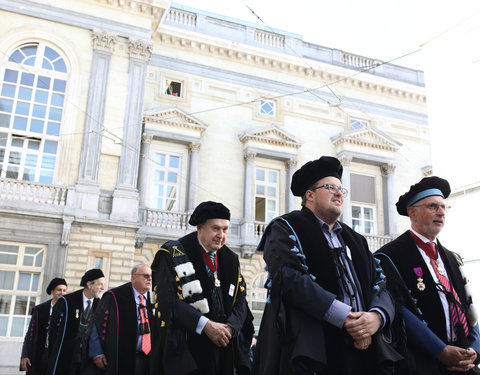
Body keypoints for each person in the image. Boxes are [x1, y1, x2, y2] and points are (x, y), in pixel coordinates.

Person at [252, 156, 398, 375]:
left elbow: (381, 283)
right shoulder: (286, 229)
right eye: (330, 187)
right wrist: (346, 317)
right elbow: (289, 278)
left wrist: (376, 317)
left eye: (341, 189)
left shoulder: (356, 239)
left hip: (363, 349)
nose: (339, 193)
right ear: (309, 195)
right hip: (313, 350)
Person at [375, 176, 480, 374]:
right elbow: (399, 309)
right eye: (433, 206)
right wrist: (439, 350)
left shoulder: (452, 257)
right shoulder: (389, 256)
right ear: (412, 213)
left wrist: (474, 349)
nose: (441, 212)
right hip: (421, 362)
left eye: (443, 207)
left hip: (463, 361)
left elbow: (469, 306)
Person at [150, 201, 254, 375]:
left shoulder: (230, 259)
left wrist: (230, 327)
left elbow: (241, 299)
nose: (221, 235)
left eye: (225, 229)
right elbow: (167, 301)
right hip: (188, 352)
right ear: (199, 228)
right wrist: (205, 325)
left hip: (223, 348)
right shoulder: (172, 254)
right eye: (215, 228)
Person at [89, 264, 153, 375]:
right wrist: (97, 352)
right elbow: (97, 324)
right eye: (145, 276)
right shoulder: (114, 297)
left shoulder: (154, 300)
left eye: (151, 276)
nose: (150, 279)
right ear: (133, 278)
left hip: (149, 360)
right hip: (120, 357)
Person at [47, 269, 105, 375]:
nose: (103, 288)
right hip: (67, 358)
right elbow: (53, 331)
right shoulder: (66, 301)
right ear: (89, 284)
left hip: (88, 361)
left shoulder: (101, 305)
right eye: (100, 284)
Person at [20, 277, 67, 374]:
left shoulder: (67, 311)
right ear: (52, 291)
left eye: (64, 290)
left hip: (57, 356)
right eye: (59, 290)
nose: (62, 293)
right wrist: (25, 355)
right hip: (39, 355)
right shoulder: (40, 310)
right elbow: (30, 334)